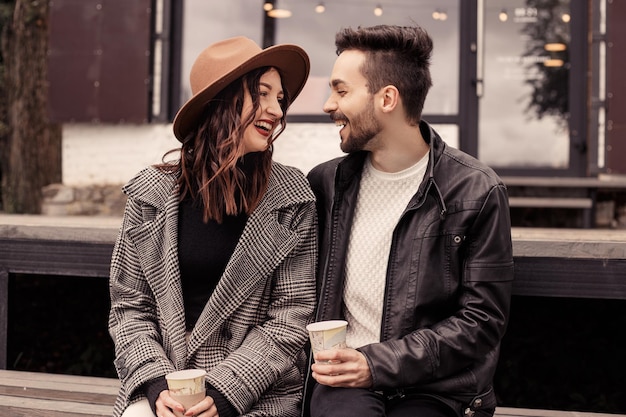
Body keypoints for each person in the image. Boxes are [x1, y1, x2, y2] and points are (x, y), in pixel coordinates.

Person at [303, 25, 514, 417]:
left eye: (342, 90)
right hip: (342, 381)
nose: (329, 104)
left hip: (439, 389)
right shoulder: (326, 184)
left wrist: (376, 363)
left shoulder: (476, 190)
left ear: (387, 98)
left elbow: (482, 321)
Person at [108, 36, 317, 417]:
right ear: (220, 101)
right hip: (165, 389)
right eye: (262, 94)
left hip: (255, 394)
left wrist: (222, 394)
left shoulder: (291, 199)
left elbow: (291, 317)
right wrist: (156, 384)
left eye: (280, 98)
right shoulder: (150, 195)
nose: (277, 110)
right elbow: (129, 307)